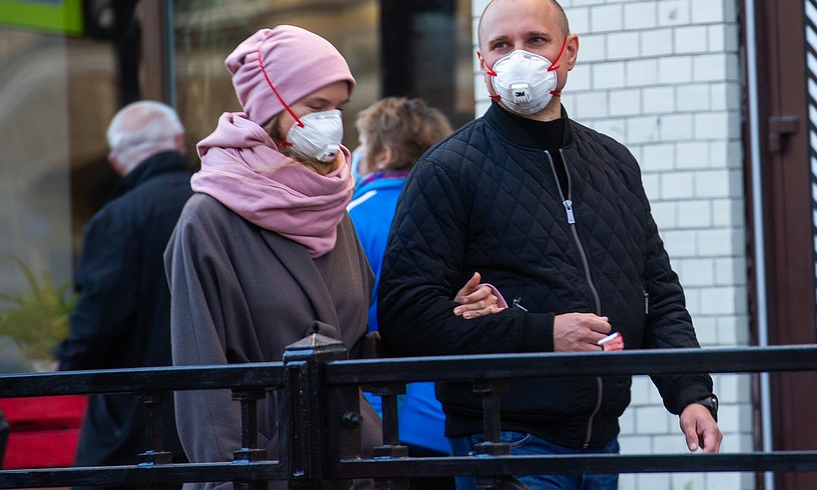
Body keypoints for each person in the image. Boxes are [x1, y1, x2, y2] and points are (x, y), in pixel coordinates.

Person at [378, 0, 723, 490]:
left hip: (601, 446)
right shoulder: (448, 169)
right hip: (502, 444)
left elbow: (658, 292)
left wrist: (691, 394)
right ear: (483, 61)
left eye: (536, 40)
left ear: (570, 51)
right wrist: (542, 335)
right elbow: (405, 315)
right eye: (501, 45)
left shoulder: (614, 164)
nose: (518, 57)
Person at [164, 26, 496, 490]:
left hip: (350, 464)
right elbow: (202, 379)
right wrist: (230, 479)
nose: (331, 123)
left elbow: (358, 348)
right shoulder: (209, 220)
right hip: (264, 473)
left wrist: (447, 314)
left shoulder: (332, 208)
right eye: (316, 107)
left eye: (337, 108)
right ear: (269, 106)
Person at [57, 100, 191, 484]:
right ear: (179, 142)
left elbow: (99, 318)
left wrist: (66, 364)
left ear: (117, 160)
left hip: (135, 422)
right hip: (215, 412)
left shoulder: (118, 217)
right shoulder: (216, 204)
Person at [347, 97, 457, 490]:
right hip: (452, 418)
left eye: (362, 142)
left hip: (379, 417)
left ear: (384, 153)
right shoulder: (455, 213)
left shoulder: (350, 218)